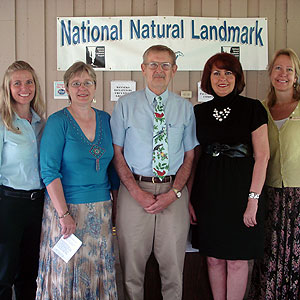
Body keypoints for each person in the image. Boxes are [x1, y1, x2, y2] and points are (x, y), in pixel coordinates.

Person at [110, 45, 198, 300]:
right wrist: (136, 193)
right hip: (134, 192)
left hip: (173, 193)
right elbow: (117, 154)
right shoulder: (125, 105)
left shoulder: (185, 108)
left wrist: (175, 192)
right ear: (143, 69)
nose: (159, 70)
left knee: (173, 270)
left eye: (165, 65)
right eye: (153, 65)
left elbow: (190, 155)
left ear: (174, 70)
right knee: (131, 272)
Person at [188, 52, 269, 300]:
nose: (222, 78)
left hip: (241, 193)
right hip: (209, 193)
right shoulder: (199, 112)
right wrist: (189, 198)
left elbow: (262, 156)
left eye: (228, 72)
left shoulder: (253, 108)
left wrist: (253, 200)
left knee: (236, 261)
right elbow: (194, 158)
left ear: (237, 77)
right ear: (207, 78)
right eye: (216, 73)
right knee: (212, 258)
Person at [35, 61, 119, 300]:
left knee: (97, 271)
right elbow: (49, 171)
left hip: (101, 210)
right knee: (66, 272)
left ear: (95, 86)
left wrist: (116, 205)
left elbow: (112, 168)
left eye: (88, 83)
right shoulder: (58, 121)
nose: (82, 88)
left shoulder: (105, 119)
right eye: (76, 83)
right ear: (66, 88)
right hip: (67, 211)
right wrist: (63, 214)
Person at [248, 48, 300, 300]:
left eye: (289, 69)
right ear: (270, 73)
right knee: (269, 253)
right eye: (278, 68)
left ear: (296, 76)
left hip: (298, 195)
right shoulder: (260, 109)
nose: (283, 74)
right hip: (267, 194)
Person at [0, 61, 45, 300]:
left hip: (36, 204)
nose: (24, 87)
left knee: (29, 272)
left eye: (29, 82)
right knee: (4, 272)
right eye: (17, 83)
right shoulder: (3, 122)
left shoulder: (40, 122)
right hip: (8, 203)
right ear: (8, 87)